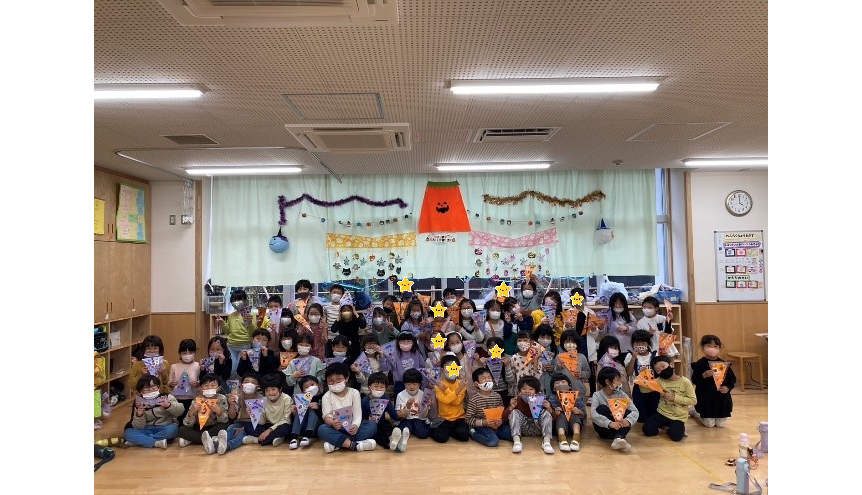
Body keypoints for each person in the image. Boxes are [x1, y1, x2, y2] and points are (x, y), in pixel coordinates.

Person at [318, 362, 378, 452]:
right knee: (322, 429)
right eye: (331, 381)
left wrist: (355, 425)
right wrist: (333, 423)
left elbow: (357, 414)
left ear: (346, 378)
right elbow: (326, 417)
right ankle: (354, 445)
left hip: (352, 427)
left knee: (372, 426)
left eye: (338, 380)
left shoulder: (354, 393)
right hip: (337, 428)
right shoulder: (326, 396)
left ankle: (338, 443)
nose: (335, 383)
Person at [643, 355, 696, 441]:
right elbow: (644, 390)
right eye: (658, 370)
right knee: (647, 429)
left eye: (663, 366)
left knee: (676, 437)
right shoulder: (659, 380)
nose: (661, 370)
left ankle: (672, 428)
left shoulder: (685, 382)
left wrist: (675, 398)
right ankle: (666, 427)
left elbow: (693, 401)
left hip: (678, 416)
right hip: (662, 413)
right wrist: (644, 376)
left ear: (671, 364)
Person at [124, 375, 184, 449]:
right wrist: (139, 414)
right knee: (128, 433)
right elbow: (139, 426)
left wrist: (168, 405)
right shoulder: (139, 402)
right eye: (146, 388)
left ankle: (142, 440)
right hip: (146, 428)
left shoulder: (167, 397)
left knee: (172, 430)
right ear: (141, 391)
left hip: (165, 426)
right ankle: (156, 443)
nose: (150, 390)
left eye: (153, 387)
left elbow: (180, 411)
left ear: (158, 387)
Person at [690, 335, 736, 428]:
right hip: (706, 399)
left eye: (715, 346)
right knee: (709, 424)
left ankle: (704, 413)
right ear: (703, 348)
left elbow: (732, 379)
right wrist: (704, 375)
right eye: (708, 346)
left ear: (719, 348)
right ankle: (695, 412)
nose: (712, 349)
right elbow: (694, 380)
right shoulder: (699, 364)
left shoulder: (724, 364)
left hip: (721, 399)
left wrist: (728, 388)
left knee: (721, 425)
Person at [177, 373, 229, 454]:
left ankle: (193, 440)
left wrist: (218, 411)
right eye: (206, 386)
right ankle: (209, 440)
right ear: (201, 388)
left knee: (225, 426)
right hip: (198, 428)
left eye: (213, 385)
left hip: (214, 427)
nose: (209, 388)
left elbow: (225, 420)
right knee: (181, 430)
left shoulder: (222, 398)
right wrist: (192, 411)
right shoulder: (196, 400)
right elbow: (186, 423)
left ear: (218, 388)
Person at [591, 366, 638, 452]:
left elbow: (635, 411)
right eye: (618, 380)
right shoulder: (597, 395)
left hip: (620, 427)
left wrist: (628, 421)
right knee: (602, 408)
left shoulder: (622, 394)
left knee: (627, 411)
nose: (620, 383)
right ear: (607, 382)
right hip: (605, 429)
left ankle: (618, 438)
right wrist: (609, 423)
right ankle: (618, 438)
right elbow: (593, 415)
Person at [223, 289, 269, 377]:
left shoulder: (250, 314)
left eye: (239, 299)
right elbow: (228, 331)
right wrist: (222, 323)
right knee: (232, 369)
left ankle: (241, 383)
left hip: (244, 345)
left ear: (244, 300)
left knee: (240, 369)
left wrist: (250, 322)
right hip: (231, 345)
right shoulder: (231, 315)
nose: (236, 302)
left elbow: (253, 332)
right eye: (234, 300)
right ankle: (233, 384)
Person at [504, 375, 555, 454]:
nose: (527, 391)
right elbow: (504, 419)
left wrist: (549, 408)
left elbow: (554, 419)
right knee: (514, 412)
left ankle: (546, 443)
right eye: (524, 389)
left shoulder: (541, 400)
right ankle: (517, 442)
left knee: (546, 413)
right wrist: (511, 407)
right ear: (520, 390)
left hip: (538, 428)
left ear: (536, 391)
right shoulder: (517, 400)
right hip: (524, 429)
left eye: (531, 389)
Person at [217, 372, 263, 455]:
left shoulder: (260, 399)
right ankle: (216, 444)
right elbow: (232, 417)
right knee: (231, 428)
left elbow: (259, 420)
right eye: (246, 382)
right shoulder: (237, 396)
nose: (249, 384)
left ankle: (227, 446)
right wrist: (231, 404)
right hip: (240, 422)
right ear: (241, 385)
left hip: (253, 425)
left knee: (241, 435)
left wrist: (244, 428)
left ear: (257, 387)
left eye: (253, 382)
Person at [466, 367, 512, 447]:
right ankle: (473, 433)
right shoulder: (474, 399)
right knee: (493, 442)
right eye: (483, 378)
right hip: (483, 427)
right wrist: (484, 422)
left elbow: (502, 413)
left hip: (497, 426)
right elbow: (468, 420)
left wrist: (500, 421)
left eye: (489, 377)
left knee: (514, 434)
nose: (487, 380)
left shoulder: (497, 396)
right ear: (476, 384)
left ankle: (495, 434)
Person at [244, 373, 293, 447]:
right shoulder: (264, 400)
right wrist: (253, 415)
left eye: (273, 389)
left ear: (280, 389)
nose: (270, 393)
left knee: (286, 428)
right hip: (269, 425)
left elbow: (286, 420)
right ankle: (274, 439)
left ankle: (258, 440)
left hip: (281, 426)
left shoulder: (287, 399)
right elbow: (262, 422)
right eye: (267, 390)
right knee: (248, 426)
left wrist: (269, 430)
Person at [430, 354, 470, 443]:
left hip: (459, 418)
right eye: (448, 367)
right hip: (443, 418)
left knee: (464, 436)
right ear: (442, 370)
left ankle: (451, 431)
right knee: (441, 438)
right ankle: (441, 429)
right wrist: (450, 390)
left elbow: (457, 402)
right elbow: (445, 400)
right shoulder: (439, 385)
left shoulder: (462, 384)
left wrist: (446, 390)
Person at [360, 372, 399, 451]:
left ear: (385, 388)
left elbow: (392, 413)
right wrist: (368, 419)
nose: (378, 389)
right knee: (376, 433)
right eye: (376, 386)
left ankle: (392, 438)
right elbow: (361, 418)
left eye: (382, 387)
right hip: (370, 424)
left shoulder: (386, 398)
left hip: (382, 421)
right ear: (369, 387)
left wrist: (399, 414)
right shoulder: (365, 401)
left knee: (387, 426)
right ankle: (388, 444)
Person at [547, 373, 586, 452]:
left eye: (563, 382)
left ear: (569, 386)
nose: (560, 384)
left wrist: (579, 411)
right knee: (561, 415)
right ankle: (562, 438)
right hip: (558, 426)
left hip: (574, 423)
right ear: (554, 388)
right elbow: (550, 416)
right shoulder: (551, 398)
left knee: (574, 415)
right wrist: (555, 413)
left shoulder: (577, 398)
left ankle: (576, 438)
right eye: (557, 383)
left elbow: (584, 415)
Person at [627, 330, 660, 422]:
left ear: (648, 343)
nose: (640, 345)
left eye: (643, 343)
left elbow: (658, 372)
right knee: (641, 418)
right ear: (633, 344)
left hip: (653, 387)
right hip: (639, 387)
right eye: (637, 343)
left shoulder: (653, 355)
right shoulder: (630, 355)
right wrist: (633, 358)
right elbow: (629, 373)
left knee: (654, 413)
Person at [395, 368, 431, 447]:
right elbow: (402, 415)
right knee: (403, 429)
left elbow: (423, 416)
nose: (411, 387)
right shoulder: (400, 395)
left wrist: (426, 407)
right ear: (404, 384)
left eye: (414, 384)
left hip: (418, 419)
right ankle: (406, 431)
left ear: (419, 384)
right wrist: (407, 406)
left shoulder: (423, 394)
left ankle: (413, 430)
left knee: (423, 434)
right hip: (406, 419)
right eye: (408, 384)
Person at [167, 338, 201, 423]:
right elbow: (169, 382)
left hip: (193, 399)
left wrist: (197, 383)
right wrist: (171, 383)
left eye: (190, 352)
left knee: (191, 420)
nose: (187, 355)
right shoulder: (174, 367)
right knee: (178, 421)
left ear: (195, 353)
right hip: (177, 399)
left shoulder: (198, 366)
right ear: (180, 353)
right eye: (184, 353)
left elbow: (202, 382)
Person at [552, 330, 590, 403]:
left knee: (578, 409)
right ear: (562, 343)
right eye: (567, 341)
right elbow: (555, 375)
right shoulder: (559, 357)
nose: (570, 344)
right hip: (563, 392)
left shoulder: (581, 357)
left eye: (573, 342)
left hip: (579, 392)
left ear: (577, 343)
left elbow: (588, 373)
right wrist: (559, 367)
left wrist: (581, 374)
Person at [287, 375, 323, 449]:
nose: (310, 387)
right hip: (302, 427)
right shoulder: (301, 399)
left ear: (318, 384)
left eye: (312, 384)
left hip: (317, 426)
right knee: (300, 408)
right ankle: (294, 437)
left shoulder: (323, 396)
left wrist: (318, 408)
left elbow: (326, 414)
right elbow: (296, 418)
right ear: (303, 391)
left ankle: (308, 436)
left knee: (312, 407)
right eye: (306, 387)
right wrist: (294, 412)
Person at [505, 331, 543, 397]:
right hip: (518, 394)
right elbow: (510, 380)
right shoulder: (514, 358)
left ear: (531, 342)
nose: (522, 343)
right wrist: (507, 366)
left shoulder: (536, 357)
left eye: (525, 340)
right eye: (519, 340)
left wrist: (536, 360)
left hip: (533, 393)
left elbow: (537, 377)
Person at [477, 336, 511, 406]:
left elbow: (510, 380)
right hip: (489, 392)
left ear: (501, 349)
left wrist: (507, 366)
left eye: (496, 347)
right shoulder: (484, 362)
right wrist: (480, 365)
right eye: (491, 348)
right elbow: (480, 379)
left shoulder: (506, 361)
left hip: (504, 392)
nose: (493, 350)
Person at [392, 331, 425, 396]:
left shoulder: (417, 353)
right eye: (402, 341)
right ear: (398, 342)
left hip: (415, 382)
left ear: (413, 342)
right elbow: (385, 368)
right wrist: (382, 356)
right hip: (400, 383)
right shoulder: (394, 354)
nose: (405, 343)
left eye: (408, 341)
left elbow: (422, 368)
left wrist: (422, 382)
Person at [533, 324, 558, 395]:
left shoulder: (554, 350)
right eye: (542, 337)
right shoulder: (531, 350)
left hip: (549, 385)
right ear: (537, 337)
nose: (545, 340)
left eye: (548, 337)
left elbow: (559, 369)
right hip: (536, 385)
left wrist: (553, 369)